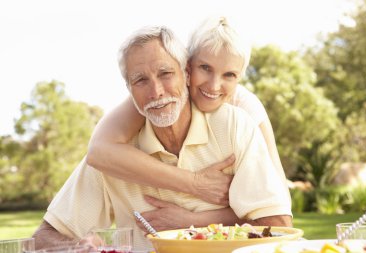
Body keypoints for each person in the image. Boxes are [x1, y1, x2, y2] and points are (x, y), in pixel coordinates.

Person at [32, 25, 292, 250]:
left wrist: (189, 223)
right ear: (129, 90)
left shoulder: (235, 125)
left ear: (187, 75)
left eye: (166, 74)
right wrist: (78, 249)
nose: (156, 91)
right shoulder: (112, 159)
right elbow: (43, 238)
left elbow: (278, 225)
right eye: (140, 80)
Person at [86, 16, 288, 210]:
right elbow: (99, 151)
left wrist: (187, 222)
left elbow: (276, 197)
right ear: (187, 67)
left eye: (229, 75)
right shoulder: (159, 97)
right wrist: (194, 183)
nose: (214, 85)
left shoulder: (243, 107)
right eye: (205, 68)